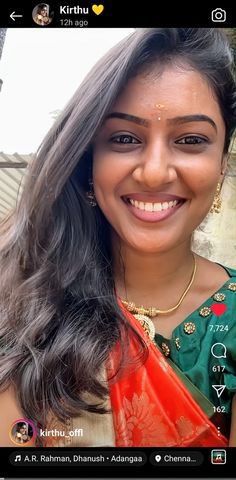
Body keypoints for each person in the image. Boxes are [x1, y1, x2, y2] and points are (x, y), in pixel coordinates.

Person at [0, 28, 236, 448]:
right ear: (89, 159)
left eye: (191, 140)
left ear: (222, 162)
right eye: (125, 139)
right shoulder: (23, 300)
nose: (154, 172)